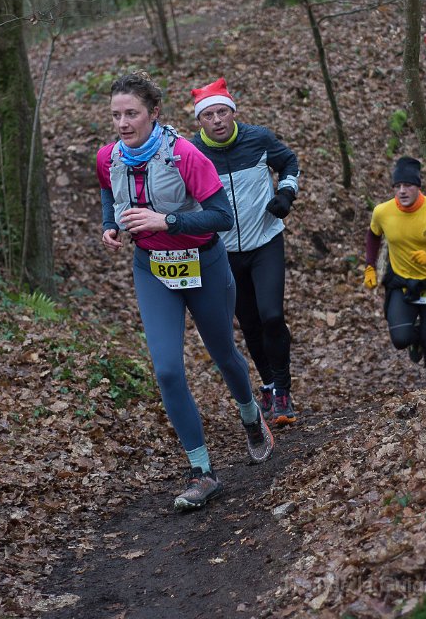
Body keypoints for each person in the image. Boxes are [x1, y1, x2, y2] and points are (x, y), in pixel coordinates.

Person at [96, 72, 274, 512]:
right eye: (116, 115)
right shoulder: (108, 156)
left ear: (154, 113)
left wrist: (167, 221)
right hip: (152, 269)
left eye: (131, 113)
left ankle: (251, 415)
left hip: (204, 263)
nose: (123, 123)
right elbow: (107, 191)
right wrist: (110, 224)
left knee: (223, 353)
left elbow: (222, 216)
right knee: (168, 371)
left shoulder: (185, 155)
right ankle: (202, 471)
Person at [190, 78, 300, 425]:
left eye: (222, 112)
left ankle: (283, 389)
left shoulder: (259, 139)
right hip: (223, 253)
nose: (217, 120)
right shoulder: (192, 153)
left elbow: (289, 162)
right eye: (209, 115)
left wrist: (286, 194)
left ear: (233, 112)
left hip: (265, 242)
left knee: (271, 316)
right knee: (250, 323)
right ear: (200, 121)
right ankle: (268, 385)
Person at [364, 156, 426, 385]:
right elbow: (373, 236)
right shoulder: (382, 212)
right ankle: (415, 340)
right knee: (400, 339)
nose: (402, 191)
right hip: (402, 282)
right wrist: (370, 266)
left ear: (418, 186)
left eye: (407, 185)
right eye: (397, 186)